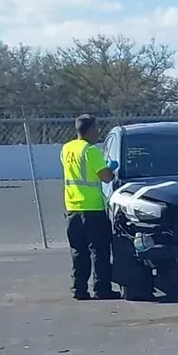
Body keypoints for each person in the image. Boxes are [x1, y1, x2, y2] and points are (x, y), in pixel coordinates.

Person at [61, 114, 117, 300]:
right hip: (92, 209)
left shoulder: (66, 148)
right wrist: (111, 168)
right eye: (96, 128)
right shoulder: (90, 151)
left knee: (79, 251)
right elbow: (106, 177)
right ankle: (102, 289)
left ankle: (79, 289)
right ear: (90, 129)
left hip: (72, 208)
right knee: (99, 251)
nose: (98, 132)